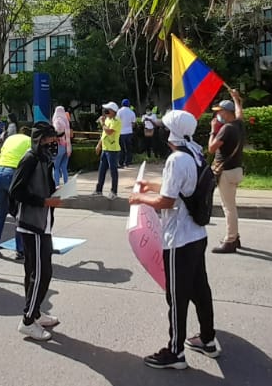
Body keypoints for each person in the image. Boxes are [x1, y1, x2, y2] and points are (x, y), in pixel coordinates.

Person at [129, 110, 219, 370]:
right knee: (201, 291)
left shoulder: (176, 159)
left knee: (176, 298)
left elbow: (167, 202)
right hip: (197, 235)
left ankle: (175, 352)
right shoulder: (196, 154)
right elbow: (181, 189)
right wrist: (152, 186)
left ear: (172, 134)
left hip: (179, 240)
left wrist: (139, 198)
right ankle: (208, 339)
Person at [10, 121, 65, 341]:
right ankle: (27, 320)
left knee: (34, 272)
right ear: (40, 140)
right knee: (42, 273)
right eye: (51, 139)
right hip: (32, 225)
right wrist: (44, 202)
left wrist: (57, 193)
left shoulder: (45, 161)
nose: (55, 143)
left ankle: (36, 313)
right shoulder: (30, 159)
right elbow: (16, 191)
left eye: (56, 139)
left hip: (43, 223)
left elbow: (45, 188)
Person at [207, 89, 246, 254]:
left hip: (226, 172)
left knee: (228, 208)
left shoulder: (226, 129)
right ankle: (235, 237)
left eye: (220, 111)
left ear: (226, 112)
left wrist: (213, 130)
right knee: (231, 206)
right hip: (236, 170)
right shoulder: (239, 124)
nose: (218, 115)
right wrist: (236, 99)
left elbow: (211, 148)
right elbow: (239, 112)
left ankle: (230, 240)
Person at [0, 130, 31, 259]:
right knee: (19, 214)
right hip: (12, 173)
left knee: (1, 213)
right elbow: (28, 161)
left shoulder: (10, 139)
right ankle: (19, 249)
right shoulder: (29, 141)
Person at [94, 102, 122, 197]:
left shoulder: (116, 121)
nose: (105, 112)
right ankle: (98, 190)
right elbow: (104, 134)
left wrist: (102, 122)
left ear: (113, 111)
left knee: (113, 170)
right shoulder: (107, 120)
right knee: (101, 170)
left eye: (107, 110)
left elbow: (109, 132)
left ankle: (114, 191)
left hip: (113, 150)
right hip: (105, 149)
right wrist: (99, 145)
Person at [52, 106, 72, 185]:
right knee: (64, 168)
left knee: (56, 168)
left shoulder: (57, 121)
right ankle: (66, 183)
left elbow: (56, 131)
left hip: (59, 146)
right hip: (67, 146)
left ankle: (56, 184)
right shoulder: (66, 121)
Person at [118, 99, 137, 168]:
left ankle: (121, 163)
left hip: (121, 132)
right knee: (129, 148)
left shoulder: (119, 111)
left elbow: (117, 122)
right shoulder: (132, 112)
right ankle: (128, 162)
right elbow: (134, 124)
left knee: (121, 148)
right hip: (129, 132)